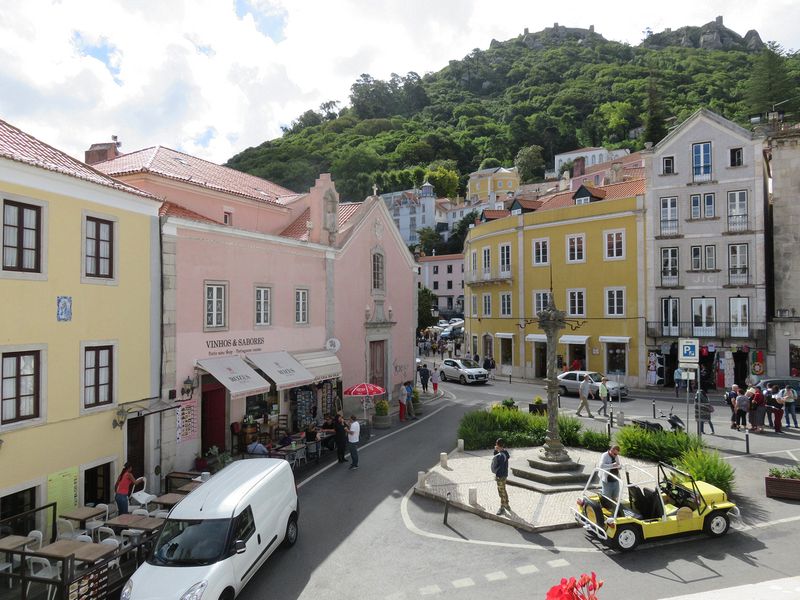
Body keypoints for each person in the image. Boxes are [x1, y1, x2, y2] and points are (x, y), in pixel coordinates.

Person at [490, 438, 511, 516]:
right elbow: (497, 458)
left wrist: (497, 475)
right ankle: (507, 504)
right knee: (503, 489)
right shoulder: (505, 453)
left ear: (498, 445)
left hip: (501, 476)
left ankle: (502, 507)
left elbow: (498, 464)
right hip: (504, 475)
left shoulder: (501, 456)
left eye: (496, 444)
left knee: (501, 492)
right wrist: (496, 451)